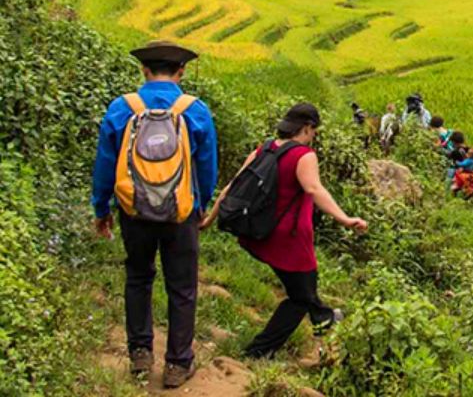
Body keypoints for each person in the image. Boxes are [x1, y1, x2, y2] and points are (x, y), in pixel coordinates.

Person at [92, 40, 218, 389]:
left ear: (144, 70)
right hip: (181, 212)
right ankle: (178, 363)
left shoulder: (122, 107)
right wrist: (201, 205)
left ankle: (140, 355)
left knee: (138, 277)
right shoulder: (195, 110)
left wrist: (101, 209)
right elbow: (207, 167)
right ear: (182, 71)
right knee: (182, 286)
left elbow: (105, 164)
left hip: (134, 210)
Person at [200, 103, 367, 359]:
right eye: (314, 130)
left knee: (303, 290)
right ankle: (257, 352)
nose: (314, 136)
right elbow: (314, 189)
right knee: (300, 297)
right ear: (308, 128)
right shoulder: (304, 155)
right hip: (291, 241)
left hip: (260, 234)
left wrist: (209, 219)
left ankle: (324, 317)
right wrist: (345, 219)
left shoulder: (263, 149)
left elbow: (233, 187)